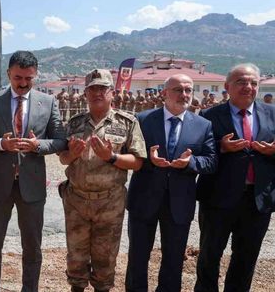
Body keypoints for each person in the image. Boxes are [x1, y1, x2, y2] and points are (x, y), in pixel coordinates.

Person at [0, 51, 66, 292]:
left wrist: (39, 146)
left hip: (32, 187)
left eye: (29, 78)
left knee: (32, 247)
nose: (23, 83)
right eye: (18, 78)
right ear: (8, 74)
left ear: (35, 75)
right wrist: (1, 144)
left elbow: (60, 141)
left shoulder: (48, 102)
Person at [125, 74, 217, 292]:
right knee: (138, 257)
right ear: (164, 93)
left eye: (188, 90)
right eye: (178, 89)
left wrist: (190, 162)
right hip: (144, 199)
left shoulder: (203, 125)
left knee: (174, 259)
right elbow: (127, 153)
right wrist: (148, 158)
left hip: (180, 202)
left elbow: (211, 161)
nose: (184, 94)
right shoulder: (143, 119)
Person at [58, 69, 146, 292]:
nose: (97, 93)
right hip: (76, 201)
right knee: (75, 258)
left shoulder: (127, 122)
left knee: (105, 259)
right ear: (85, 93)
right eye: (92, 89)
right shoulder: (74, 123)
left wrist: (111, 157)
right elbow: (63, 159)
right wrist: (73, 154)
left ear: (112, 92)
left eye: (102, 88)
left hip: (110, 203)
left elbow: (137, 161)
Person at [195, 63, 275, 292]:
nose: (248, 87)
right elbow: (199, 152)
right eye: (241, 82)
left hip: (257, 200)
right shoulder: (209, 116)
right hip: (218, 199)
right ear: (227, 86)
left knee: (246, 258)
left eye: (253, 83)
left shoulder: (272, 113)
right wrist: (220, 147)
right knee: (209, 256)